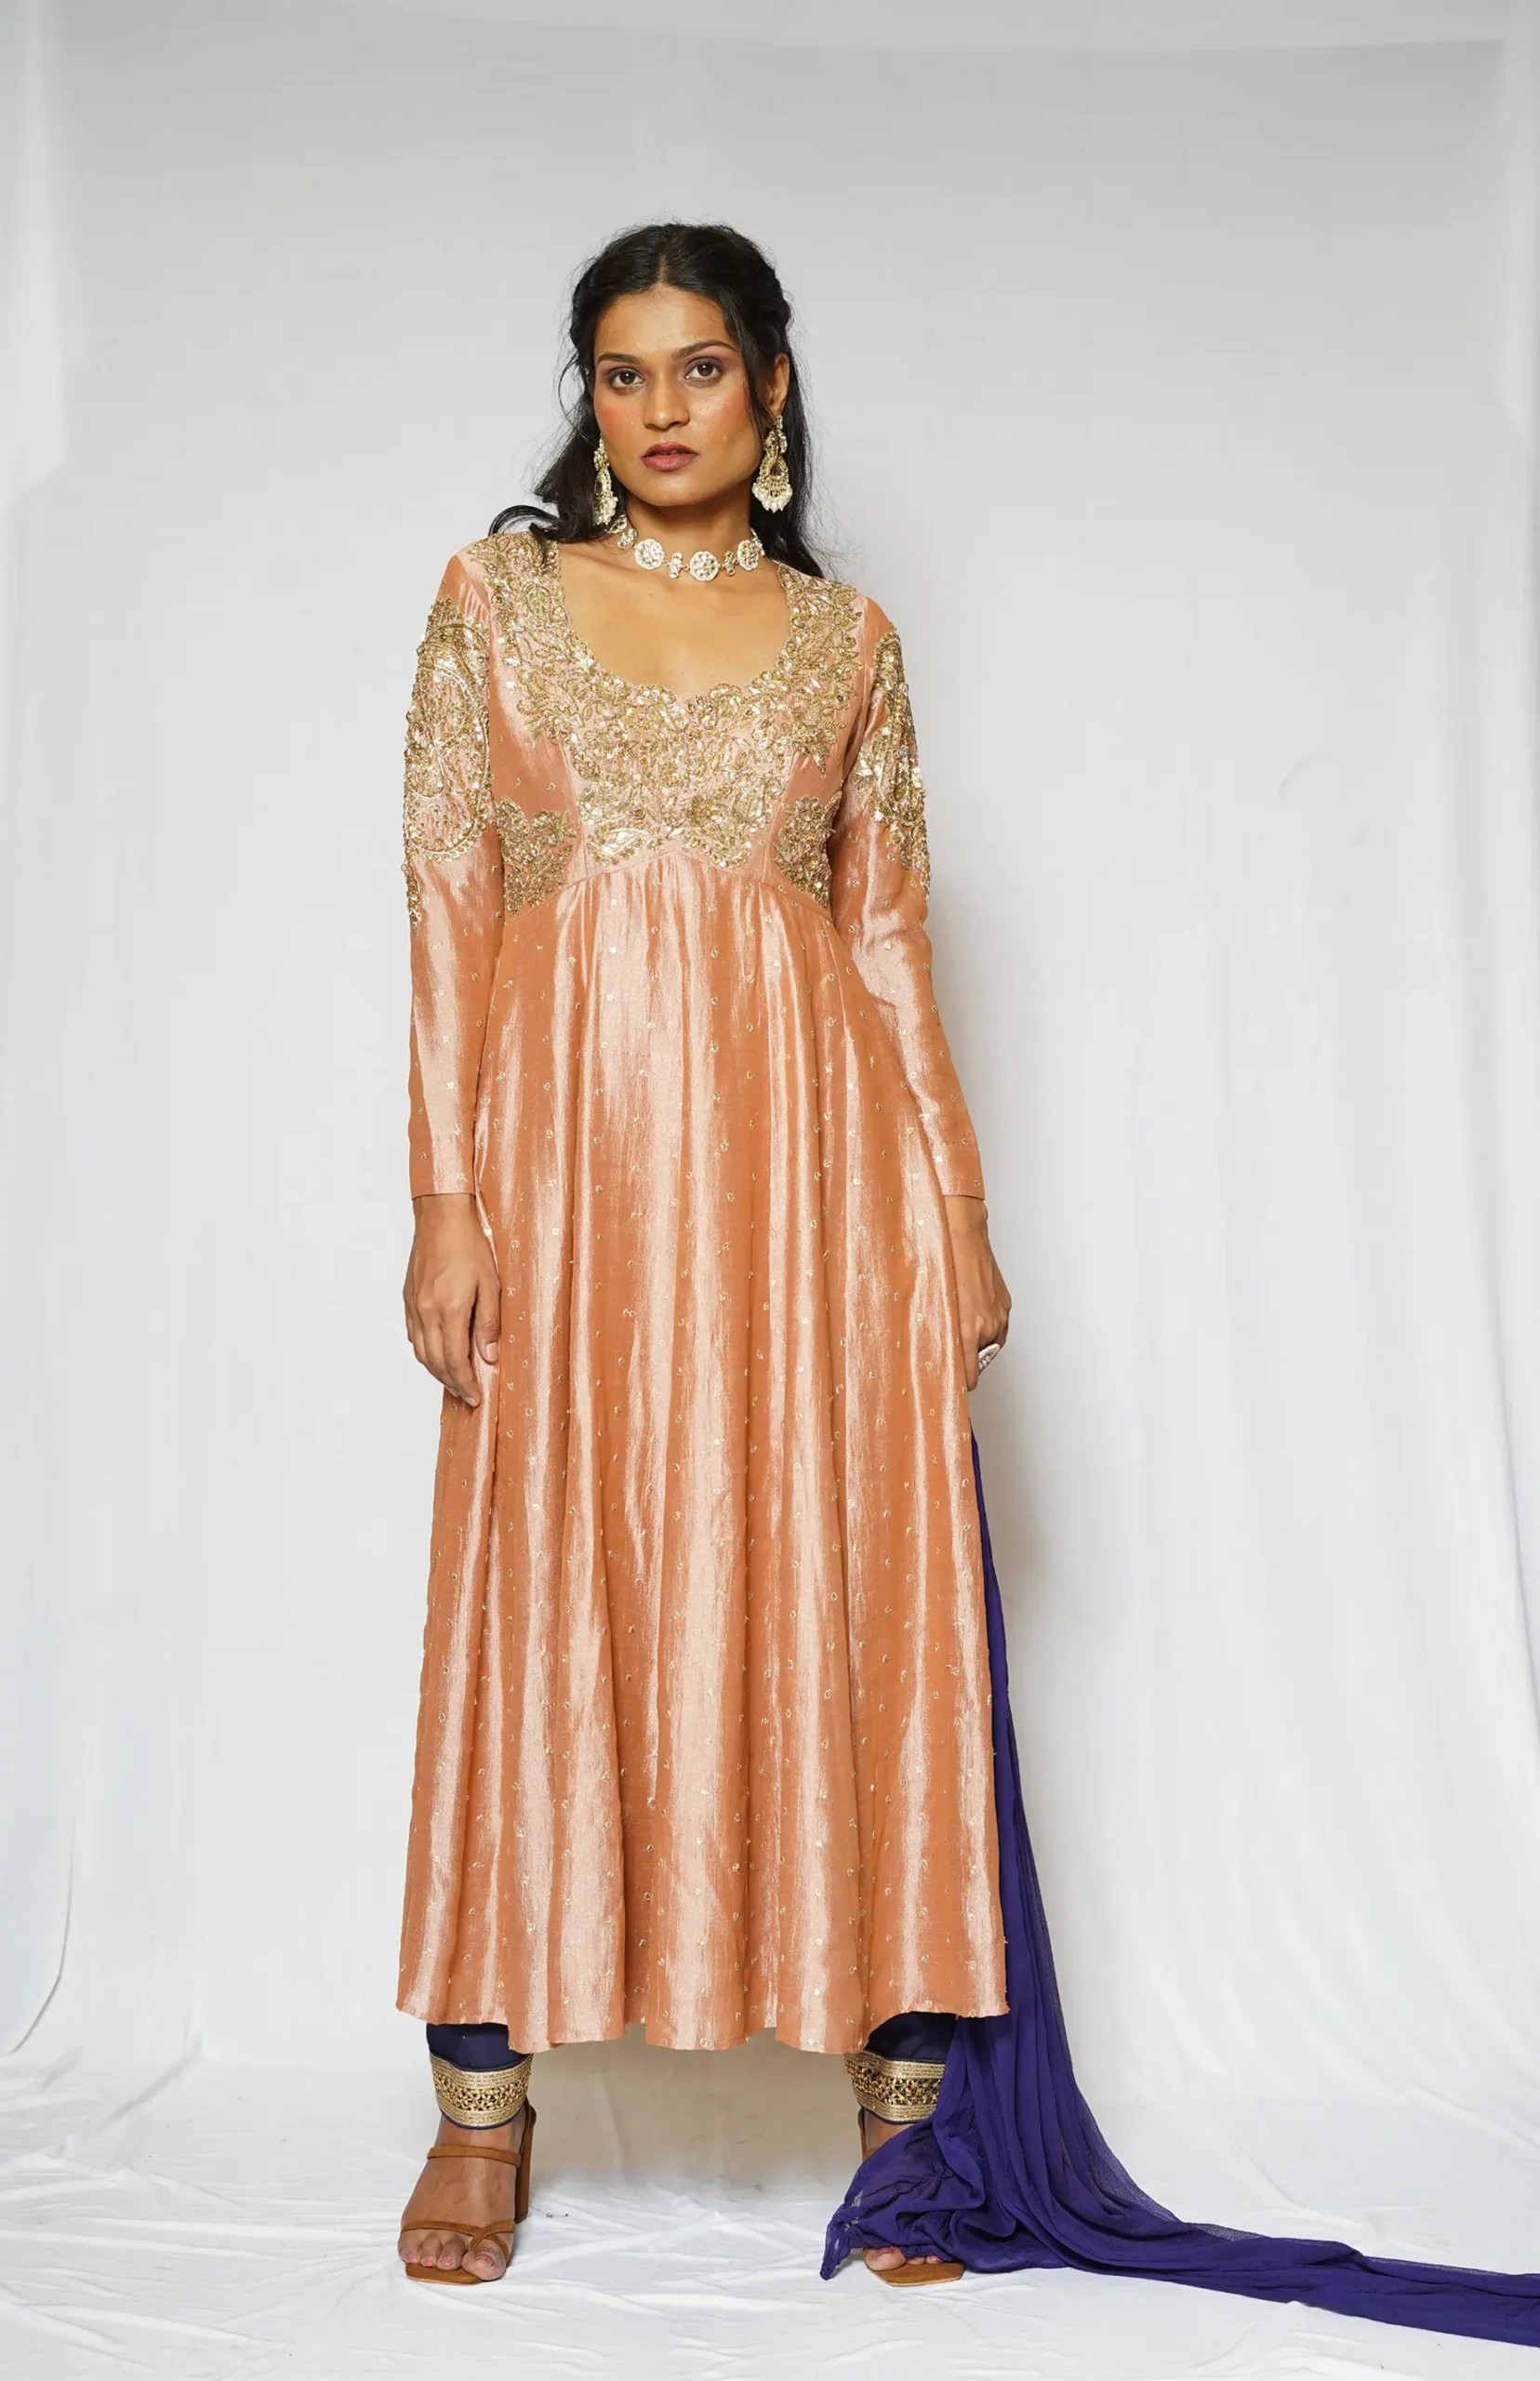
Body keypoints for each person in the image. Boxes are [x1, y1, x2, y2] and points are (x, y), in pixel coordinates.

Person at [391, 221, 1540, 2348]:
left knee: (848, 1584)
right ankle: (483, 2095)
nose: (661, 409)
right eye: (623, 373)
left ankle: (902, 2109)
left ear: (773, 387)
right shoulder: (493, 603)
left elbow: (891, 940)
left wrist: (961, 1211)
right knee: (539, 1584)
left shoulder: (851, 641)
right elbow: (448, 907)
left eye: (702, 367)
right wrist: (444, 1198)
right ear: (587, 397)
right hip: (567, 1174)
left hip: (814, 1184)